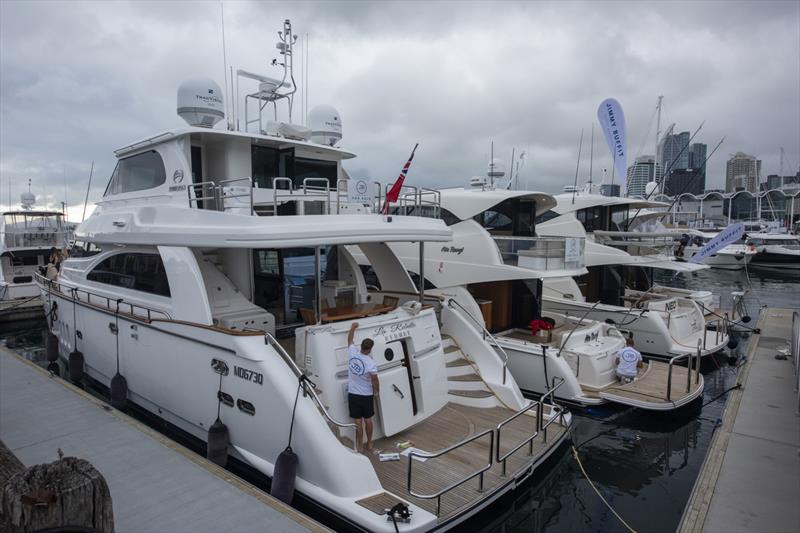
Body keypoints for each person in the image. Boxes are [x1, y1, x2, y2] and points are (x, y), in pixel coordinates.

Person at [346, 322, 379, 452]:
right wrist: (377, 391)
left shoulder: (353, 353)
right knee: (368, 420)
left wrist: (353, 327)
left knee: (358, 422)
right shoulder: (371, 363)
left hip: (353, 394)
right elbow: (375, 380)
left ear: (361, 347)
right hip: (366, 395)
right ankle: (370, 443)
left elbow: (349, 340)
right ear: (370, 349)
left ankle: (360, 445)